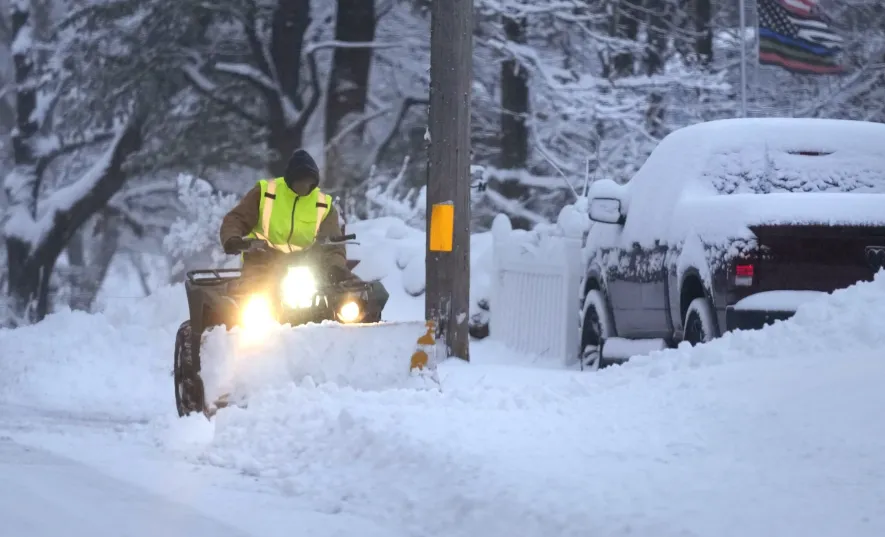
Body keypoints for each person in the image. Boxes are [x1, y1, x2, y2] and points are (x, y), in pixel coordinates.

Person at [219, 148, 352, 281]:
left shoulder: (323, 204)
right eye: (300, 180)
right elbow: (237, 219)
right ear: (290, 179)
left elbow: (333, 245)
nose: (304, 185)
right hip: (261, 267)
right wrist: (232, 239)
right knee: (248, 299)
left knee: (346, 298)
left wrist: (336, 266)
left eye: (309, 181)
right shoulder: (266, 192)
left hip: (308, 273)